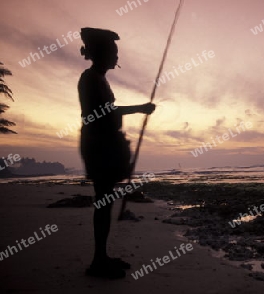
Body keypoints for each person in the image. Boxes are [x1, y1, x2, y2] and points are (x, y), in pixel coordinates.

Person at [78, 27, 155, 279]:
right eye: (113, 52)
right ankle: (98, 261)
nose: (117, 57)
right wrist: (139, 108)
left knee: (105, 201)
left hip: (105, 144)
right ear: (100, 53)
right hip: (99, 146)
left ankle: (102, 256)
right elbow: (101, 113)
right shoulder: (89, 79)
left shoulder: (98, 79)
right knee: (103, 202)